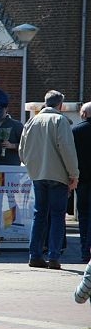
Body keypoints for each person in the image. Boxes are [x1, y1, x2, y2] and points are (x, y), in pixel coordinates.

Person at [19, 90, 79, 270]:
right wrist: (73, 174)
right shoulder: (60, 121)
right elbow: (67, 150)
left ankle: (35, 255)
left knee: (39, 215)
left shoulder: (31, 121)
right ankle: (53, 256)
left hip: (37, 175)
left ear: (45, 103)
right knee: (57, 216)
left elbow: (22, 151)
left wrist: (32, 167)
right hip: (58, 175)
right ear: (60, 105)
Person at [73, 102, 91, 262]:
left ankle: (85, 251)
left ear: (84, 114)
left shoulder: (76, 131)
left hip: (82, 180)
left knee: (84, 216)